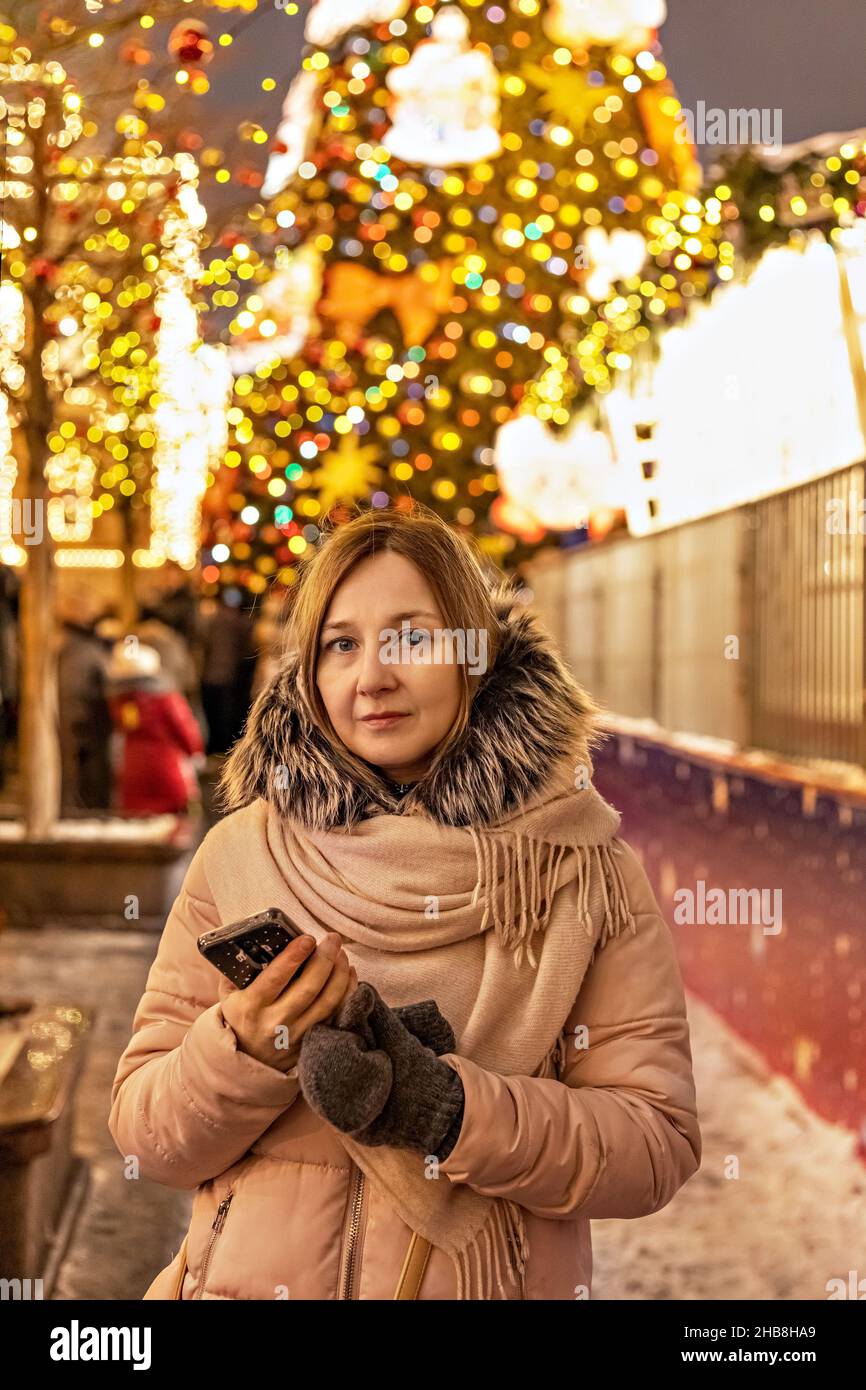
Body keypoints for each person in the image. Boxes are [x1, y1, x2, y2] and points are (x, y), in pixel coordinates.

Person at [108, 503, 701, 1301]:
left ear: (472, 656)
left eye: (411, 638)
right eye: (340, 645)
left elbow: (652, 1147)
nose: (371, 677)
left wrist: (450, 1111)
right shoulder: (243, 854)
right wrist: (244, 1049)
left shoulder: (578, 874)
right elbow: (148, 1138)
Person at [106, 639, 204, 816]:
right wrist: (195, 753)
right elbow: (186, 731)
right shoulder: (167, 699)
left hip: (133, 771)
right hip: (167, 769)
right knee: (172, 827)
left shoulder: (120, 702)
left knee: (137, 823)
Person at [57, 586, 113, 815]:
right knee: (79, 781)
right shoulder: (73, 645)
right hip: (82, 722)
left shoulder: (86, 642)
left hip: (87, 720)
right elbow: (73, 687)